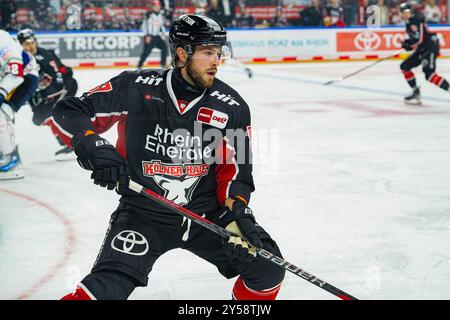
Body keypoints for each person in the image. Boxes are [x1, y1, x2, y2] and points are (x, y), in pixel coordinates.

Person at [55, 14, 285, 300]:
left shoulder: (230, 107)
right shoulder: (136, 89)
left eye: (218, 53)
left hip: (207, 215)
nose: (216, 61)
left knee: (268, 268)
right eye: (207, 52)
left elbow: (236, 170)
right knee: (106, 289)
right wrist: (94, 145)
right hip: (143, 212)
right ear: (181, 53)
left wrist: (237, 211)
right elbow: (69, 111)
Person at [17, 28, 79, 160]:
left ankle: (71, 140)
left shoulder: (46, 54)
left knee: (54, 115)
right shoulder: (18, 58)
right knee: (39, 119)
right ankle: (71, 139)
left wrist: (45, 93)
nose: (30, 46)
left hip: (61, 90)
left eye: (32, 42)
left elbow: (62, 74)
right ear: (20, 45)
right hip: (43, 94)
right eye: (26, 44)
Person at [0, 29, 38, 180]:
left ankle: (12, 160)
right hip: (9, 78)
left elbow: (16, 75)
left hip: (25, 79)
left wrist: (1, 93)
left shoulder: (5, 43)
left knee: (3, 112)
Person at [399, 3, 449, 104]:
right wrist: (407, 43)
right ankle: (415, 91)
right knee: (404, 66)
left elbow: (420, 39)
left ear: (410, 11)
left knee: (429, 75)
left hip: (429, 48)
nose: (405, 14)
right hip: (421, 49)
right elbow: (415, 38)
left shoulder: (417, 20)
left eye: (406, 12)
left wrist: (409, 44)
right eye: (403, 12)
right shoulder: (409, 22)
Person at [137, 0, 169, 69]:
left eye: (158, 6)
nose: (157, 7)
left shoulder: (161, 15)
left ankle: (163, 64)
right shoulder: (149, 15)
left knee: (164, 48)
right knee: (146, 52)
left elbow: (161, 26)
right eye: (155, 6)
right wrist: (147, 36)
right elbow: (144, 26)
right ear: (153, 7)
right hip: (150, 36)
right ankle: (139, 66)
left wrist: (164, 34)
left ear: (160, 6)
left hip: (157, 36)